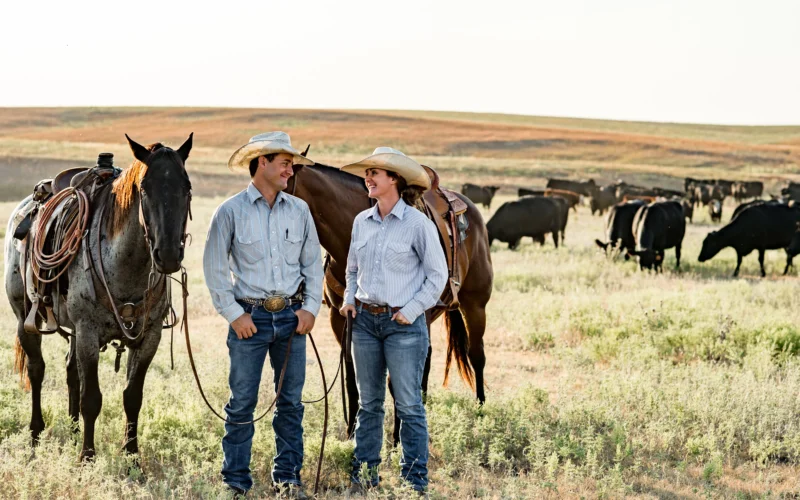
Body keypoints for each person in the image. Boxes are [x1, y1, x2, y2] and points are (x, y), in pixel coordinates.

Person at [203, 131, 323, 498]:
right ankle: (235, 482)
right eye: (284, 161)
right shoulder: (230, 211)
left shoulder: (300, 210)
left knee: (290, 402)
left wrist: (311, 308)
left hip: (291, 318)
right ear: (263, 162)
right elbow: (213, 267)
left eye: (291, 163)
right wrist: (233, 315)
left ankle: (288, 479)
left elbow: (313, 265)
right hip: (249, 320)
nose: (291, 168)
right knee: (242, 402)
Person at [339, 147, 448, 495]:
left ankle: (414, 482)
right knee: (369, 404)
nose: (368, 178)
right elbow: (352, 268)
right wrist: (348, 299)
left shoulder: (417, 224)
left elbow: (438, 276)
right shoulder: (361, 222)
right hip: (366, 325)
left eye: (376, 173)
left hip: (403, 326)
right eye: (368, 172)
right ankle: (365, 477)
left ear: (395, 181)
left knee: (409, 405)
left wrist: (411, 310)